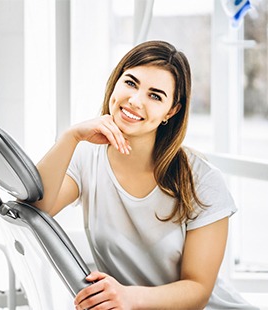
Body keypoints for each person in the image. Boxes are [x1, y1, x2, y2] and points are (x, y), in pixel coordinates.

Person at [34, 40, 258, 309]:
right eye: (130, 82)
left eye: (155, 95)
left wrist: (128, 296)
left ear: (171, 111)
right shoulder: (85, 157)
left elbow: (198, 291)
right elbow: (37, 208)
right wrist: (70, 137)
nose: (135, 100)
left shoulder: (202, 179)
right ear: (115, 82)